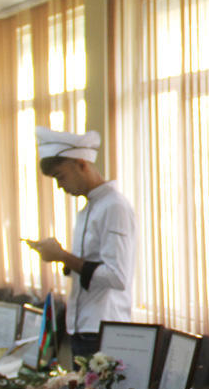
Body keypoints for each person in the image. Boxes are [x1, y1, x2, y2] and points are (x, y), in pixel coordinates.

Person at [26, 126, 136, 360]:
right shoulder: (88, 209)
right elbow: (88, 267)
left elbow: (116, 277)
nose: (59, 186)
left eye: (60, 176)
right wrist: (60, 257)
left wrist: (64, 256)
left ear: (82, 164)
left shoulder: (113, 206)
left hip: (102, 329)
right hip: (82, 326)